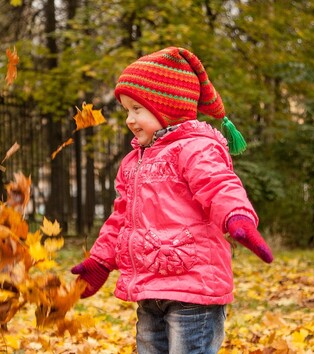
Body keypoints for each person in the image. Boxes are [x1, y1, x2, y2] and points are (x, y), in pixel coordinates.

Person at [70, 47, 274, 353]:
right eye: (126, 110)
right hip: (150, 290)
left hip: (194, 290)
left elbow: (218, 185)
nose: (129, 119)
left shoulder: (195, 149)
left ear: (167, 107)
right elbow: (121, 219)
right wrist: (100, 261)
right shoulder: (133, 163)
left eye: (137, 109)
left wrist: (237, 217)